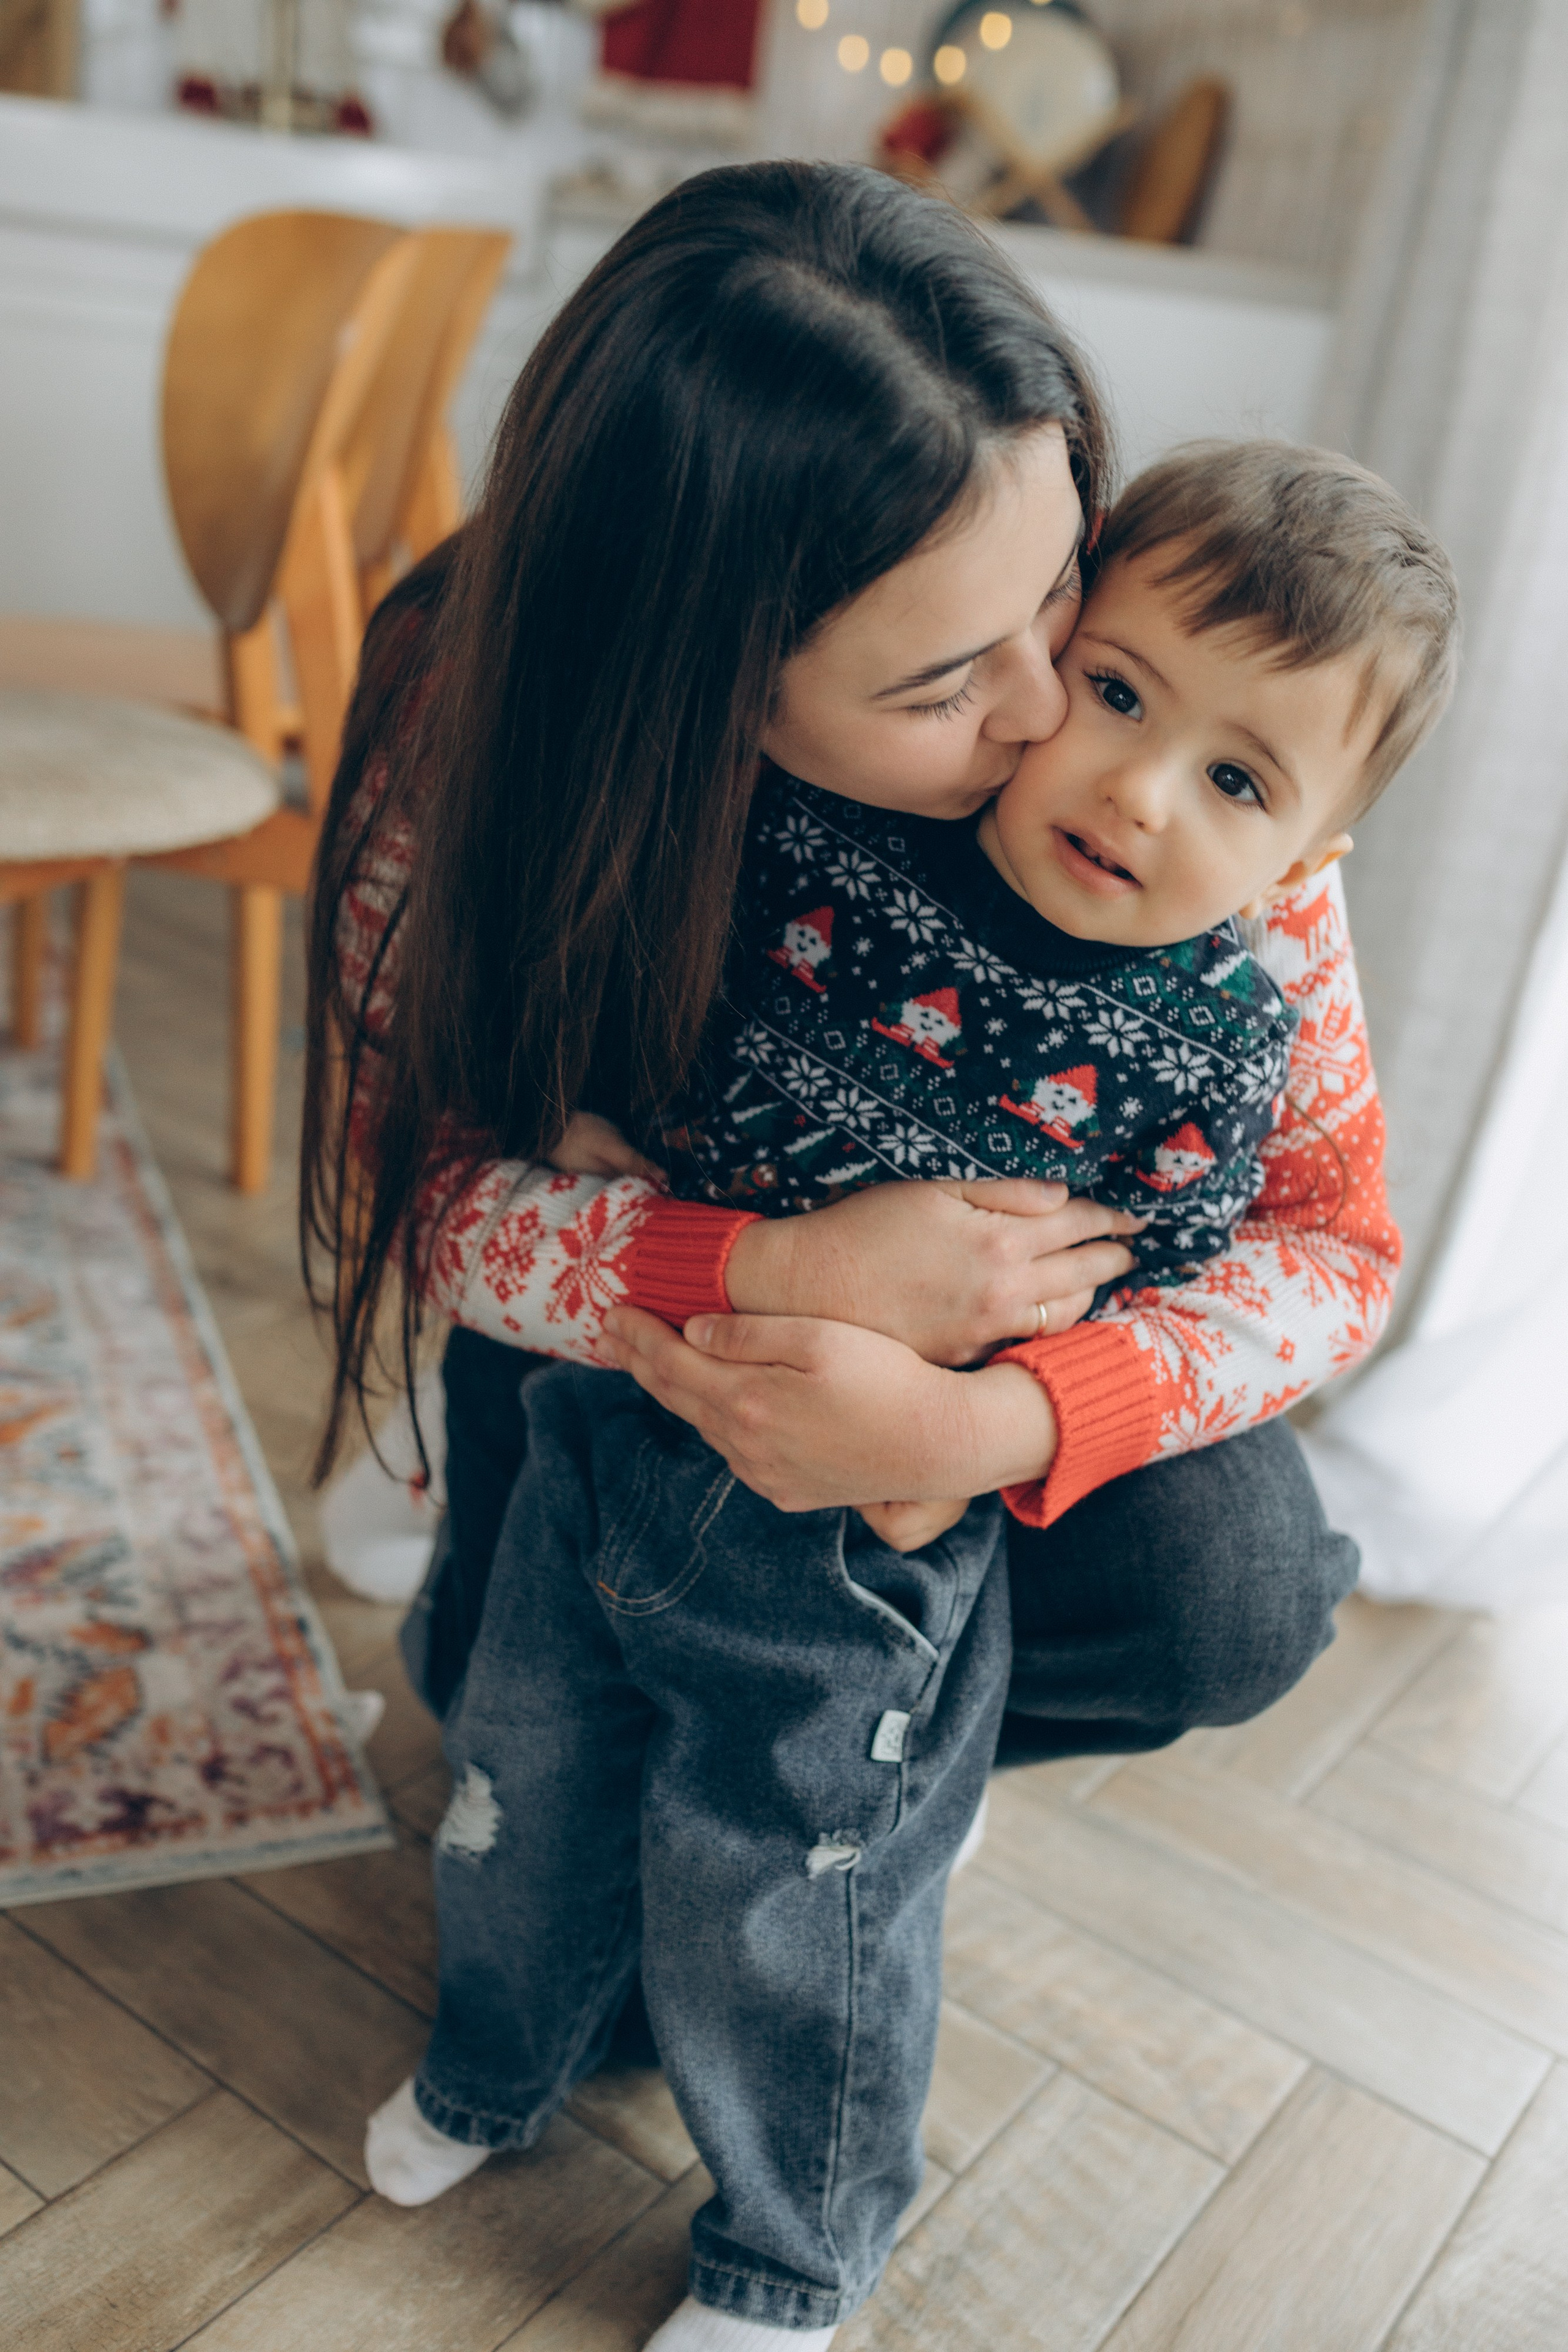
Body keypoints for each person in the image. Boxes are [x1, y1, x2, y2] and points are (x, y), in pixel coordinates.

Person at [303, 162, 1401, 2346]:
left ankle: (887, 1754)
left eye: (1060, 604)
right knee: (506, 1776)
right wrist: (771, 1275)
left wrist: (997, 1413)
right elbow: (422, 1193)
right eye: (947, 679)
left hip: (951, 1417)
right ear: (700, 679)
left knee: (1242, 1580)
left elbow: (1333, 1243)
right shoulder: (479, 708)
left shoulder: (1166, 736)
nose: (1050, 728)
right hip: (610, 1357)